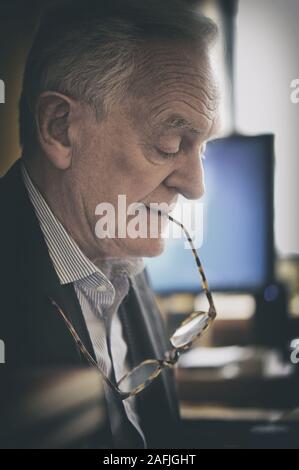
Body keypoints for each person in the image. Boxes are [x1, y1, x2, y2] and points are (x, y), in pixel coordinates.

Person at [0, 0, 220, 449]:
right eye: (169, 143)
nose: (196, 186)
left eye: (202, 147)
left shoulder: (123, 258)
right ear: (60, 128)